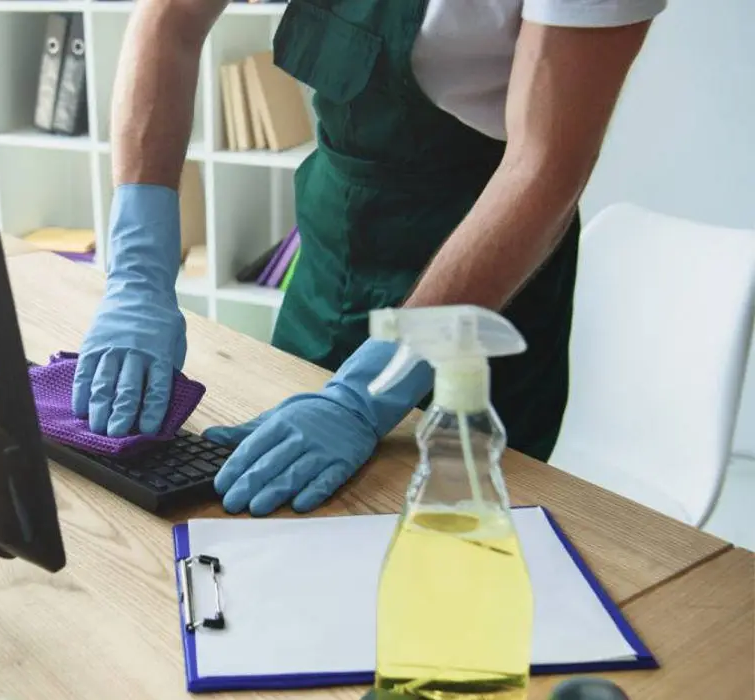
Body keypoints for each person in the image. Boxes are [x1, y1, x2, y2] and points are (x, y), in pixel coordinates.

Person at [72, 0, 664, 516]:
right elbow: (170, 16)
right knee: (266, 520)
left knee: (448, 553)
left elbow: (543, 168)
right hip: (334, 247)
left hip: (481, 274)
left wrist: (372, 389)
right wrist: (138, 274)